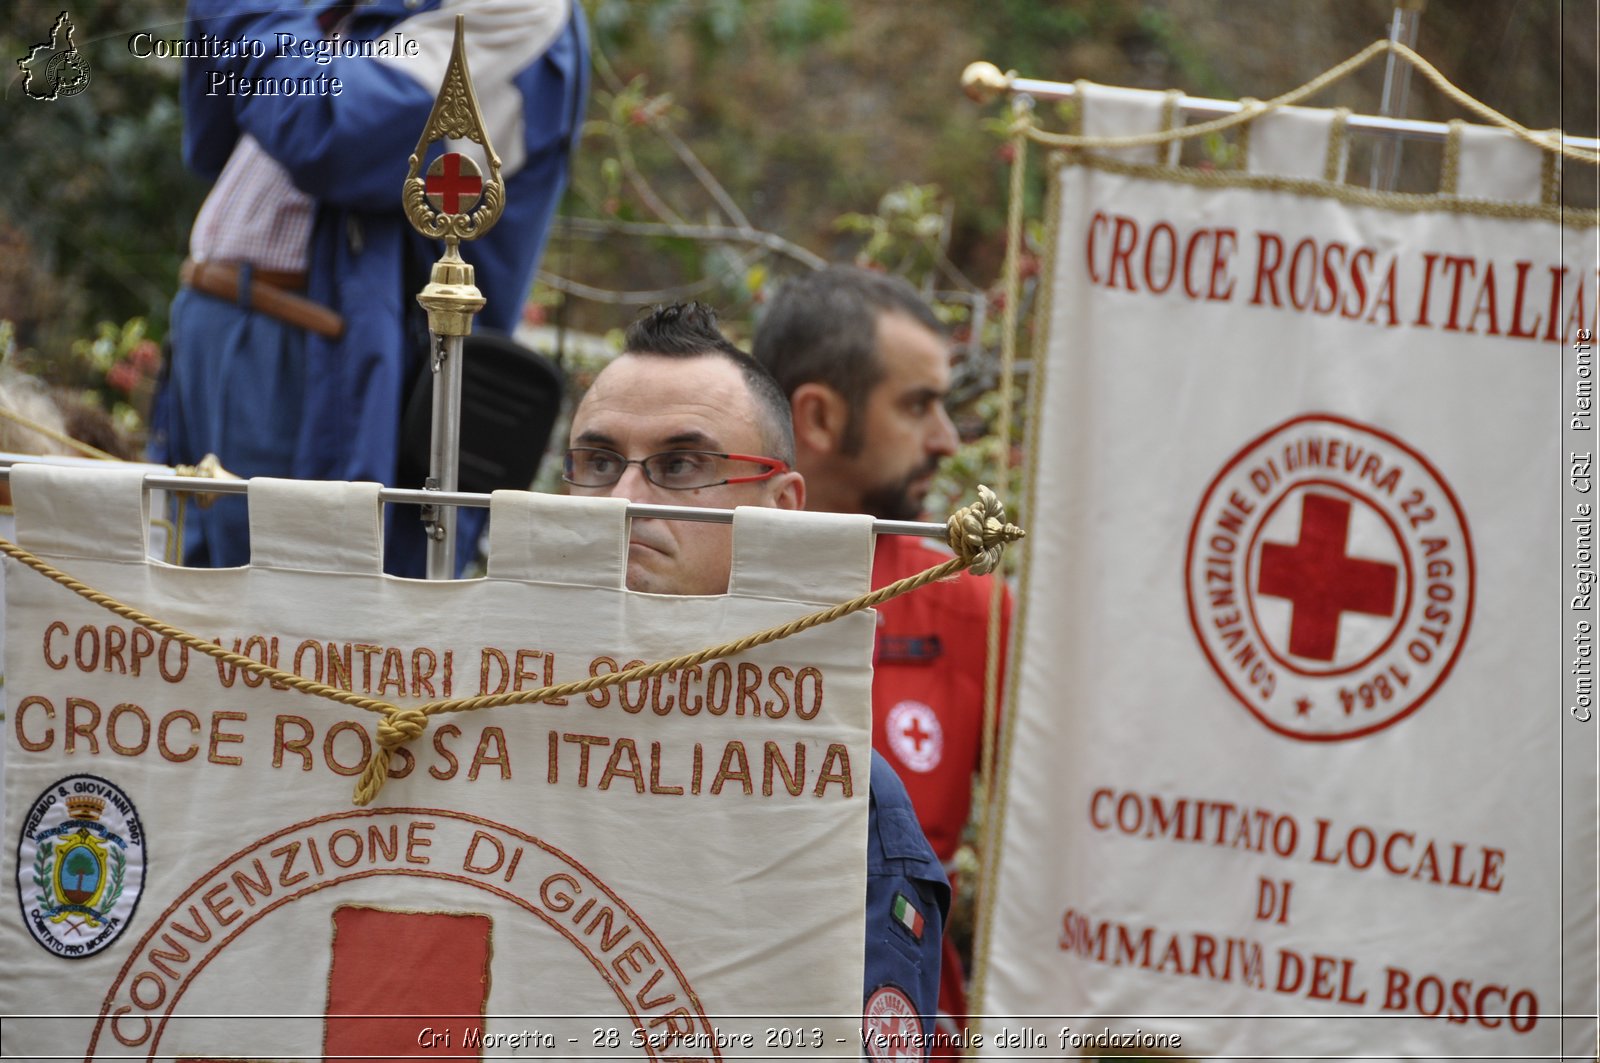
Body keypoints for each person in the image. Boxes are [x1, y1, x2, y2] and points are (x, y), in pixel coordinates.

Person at [565, 302, 950, 1043]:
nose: (623, 501)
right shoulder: (485, 728)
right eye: (600, 462)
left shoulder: (840, 798)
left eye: (681, 465)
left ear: (780, 513)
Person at [151, 0, 588, 576]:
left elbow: (328, 129)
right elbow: (213, 140)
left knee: (287, 629)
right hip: (217, 335)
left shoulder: (515, 10)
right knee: (181, 621)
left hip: (315, 365)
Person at [753, 266, 1013, 1029]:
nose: (946, 438)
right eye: (919, 404)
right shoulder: (690, 588)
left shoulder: (974, 609)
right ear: (821, 417)